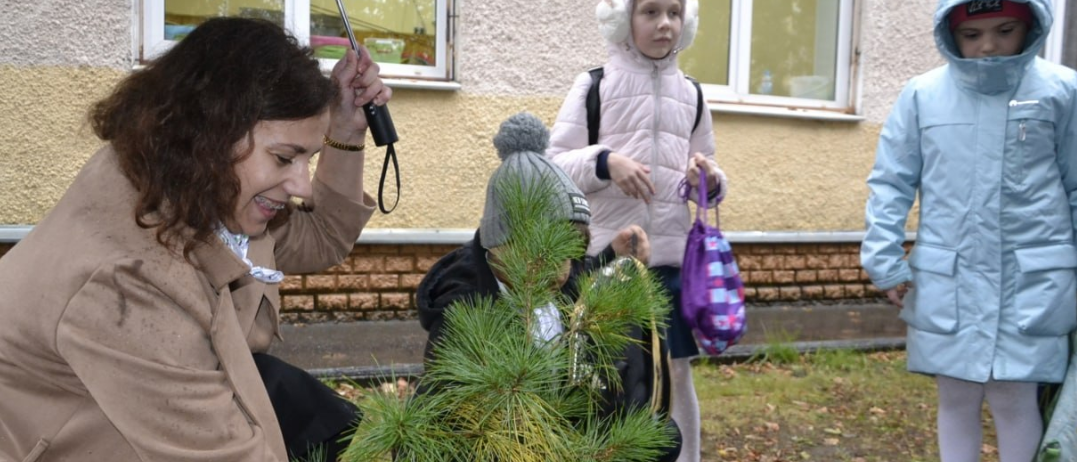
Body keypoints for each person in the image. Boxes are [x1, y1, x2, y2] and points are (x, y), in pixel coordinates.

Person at [0, 17, 390, 462]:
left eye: (308, 158)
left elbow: (321, 238)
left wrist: (346, 131)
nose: (302, 186)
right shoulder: (129, 282)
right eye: (285, 158)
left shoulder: (193, 185)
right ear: (211, 134)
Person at [860, 1, 1077, 461]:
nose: (989, 46)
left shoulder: (1062, 90)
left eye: (1004, 30)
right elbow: (891, 180)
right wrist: (883, 259)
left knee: (1014, 397)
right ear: (950, 34)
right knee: (955, 397)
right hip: (949, 277)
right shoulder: (923, 95)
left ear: (1030, 27)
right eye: (972, 35)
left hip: (1032, 280)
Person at [416, 112, 681, 461]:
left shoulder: (557, 279)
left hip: (575, 434)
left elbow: (576, 284)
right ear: (501, 244)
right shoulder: (464, 310)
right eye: (548, 253)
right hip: (511, 444)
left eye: (573, 251)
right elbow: (455, 419)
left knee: (662, 436)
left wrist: (608, 260)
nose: (563, 269)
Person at [545, 1, 727, 460]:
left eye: (674, 12)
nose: (664, 23)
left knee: (675, 374)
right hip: (604, 262)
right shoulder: (594, 85)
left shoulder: (693, 94)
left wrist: (708, 179)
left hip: (667, 262)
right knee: (599, 373)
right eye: (649, 11)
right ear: (623, 19)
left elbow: (707, 172)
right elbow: (552, 165)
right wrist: (605, 162)